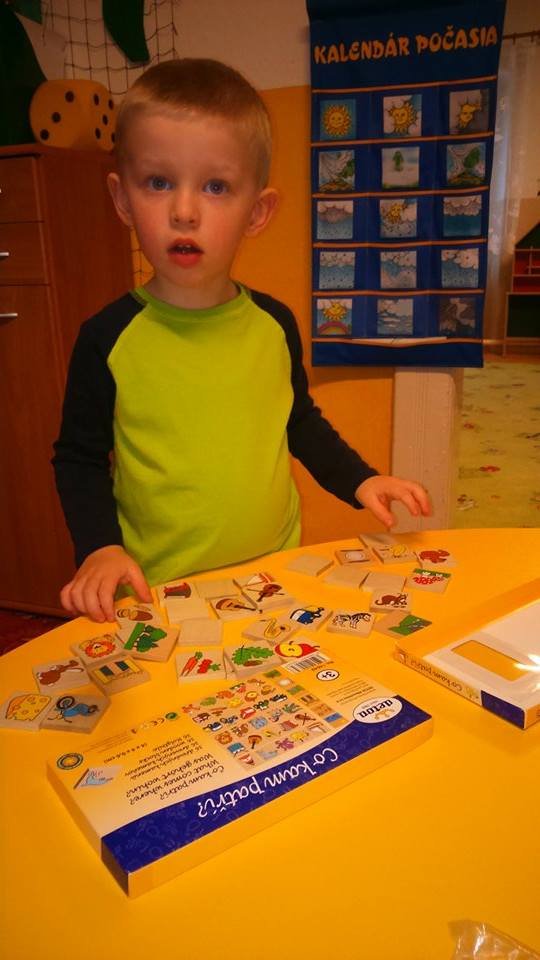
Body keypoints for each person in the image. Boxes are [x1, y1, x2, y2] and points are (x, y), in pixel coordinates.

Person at [52, 58, 430, 624]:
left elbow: (298, 420)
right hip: (158, 591)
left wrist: (361, 479)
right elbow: (78, 459)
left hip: (272, 577)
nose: (184, 211)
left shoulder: (274, 323)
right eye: (158, 183)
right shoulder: (106, 337)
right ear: (123, 199)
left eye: (215, 187)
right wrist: (99, 547)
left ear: (257, 212)